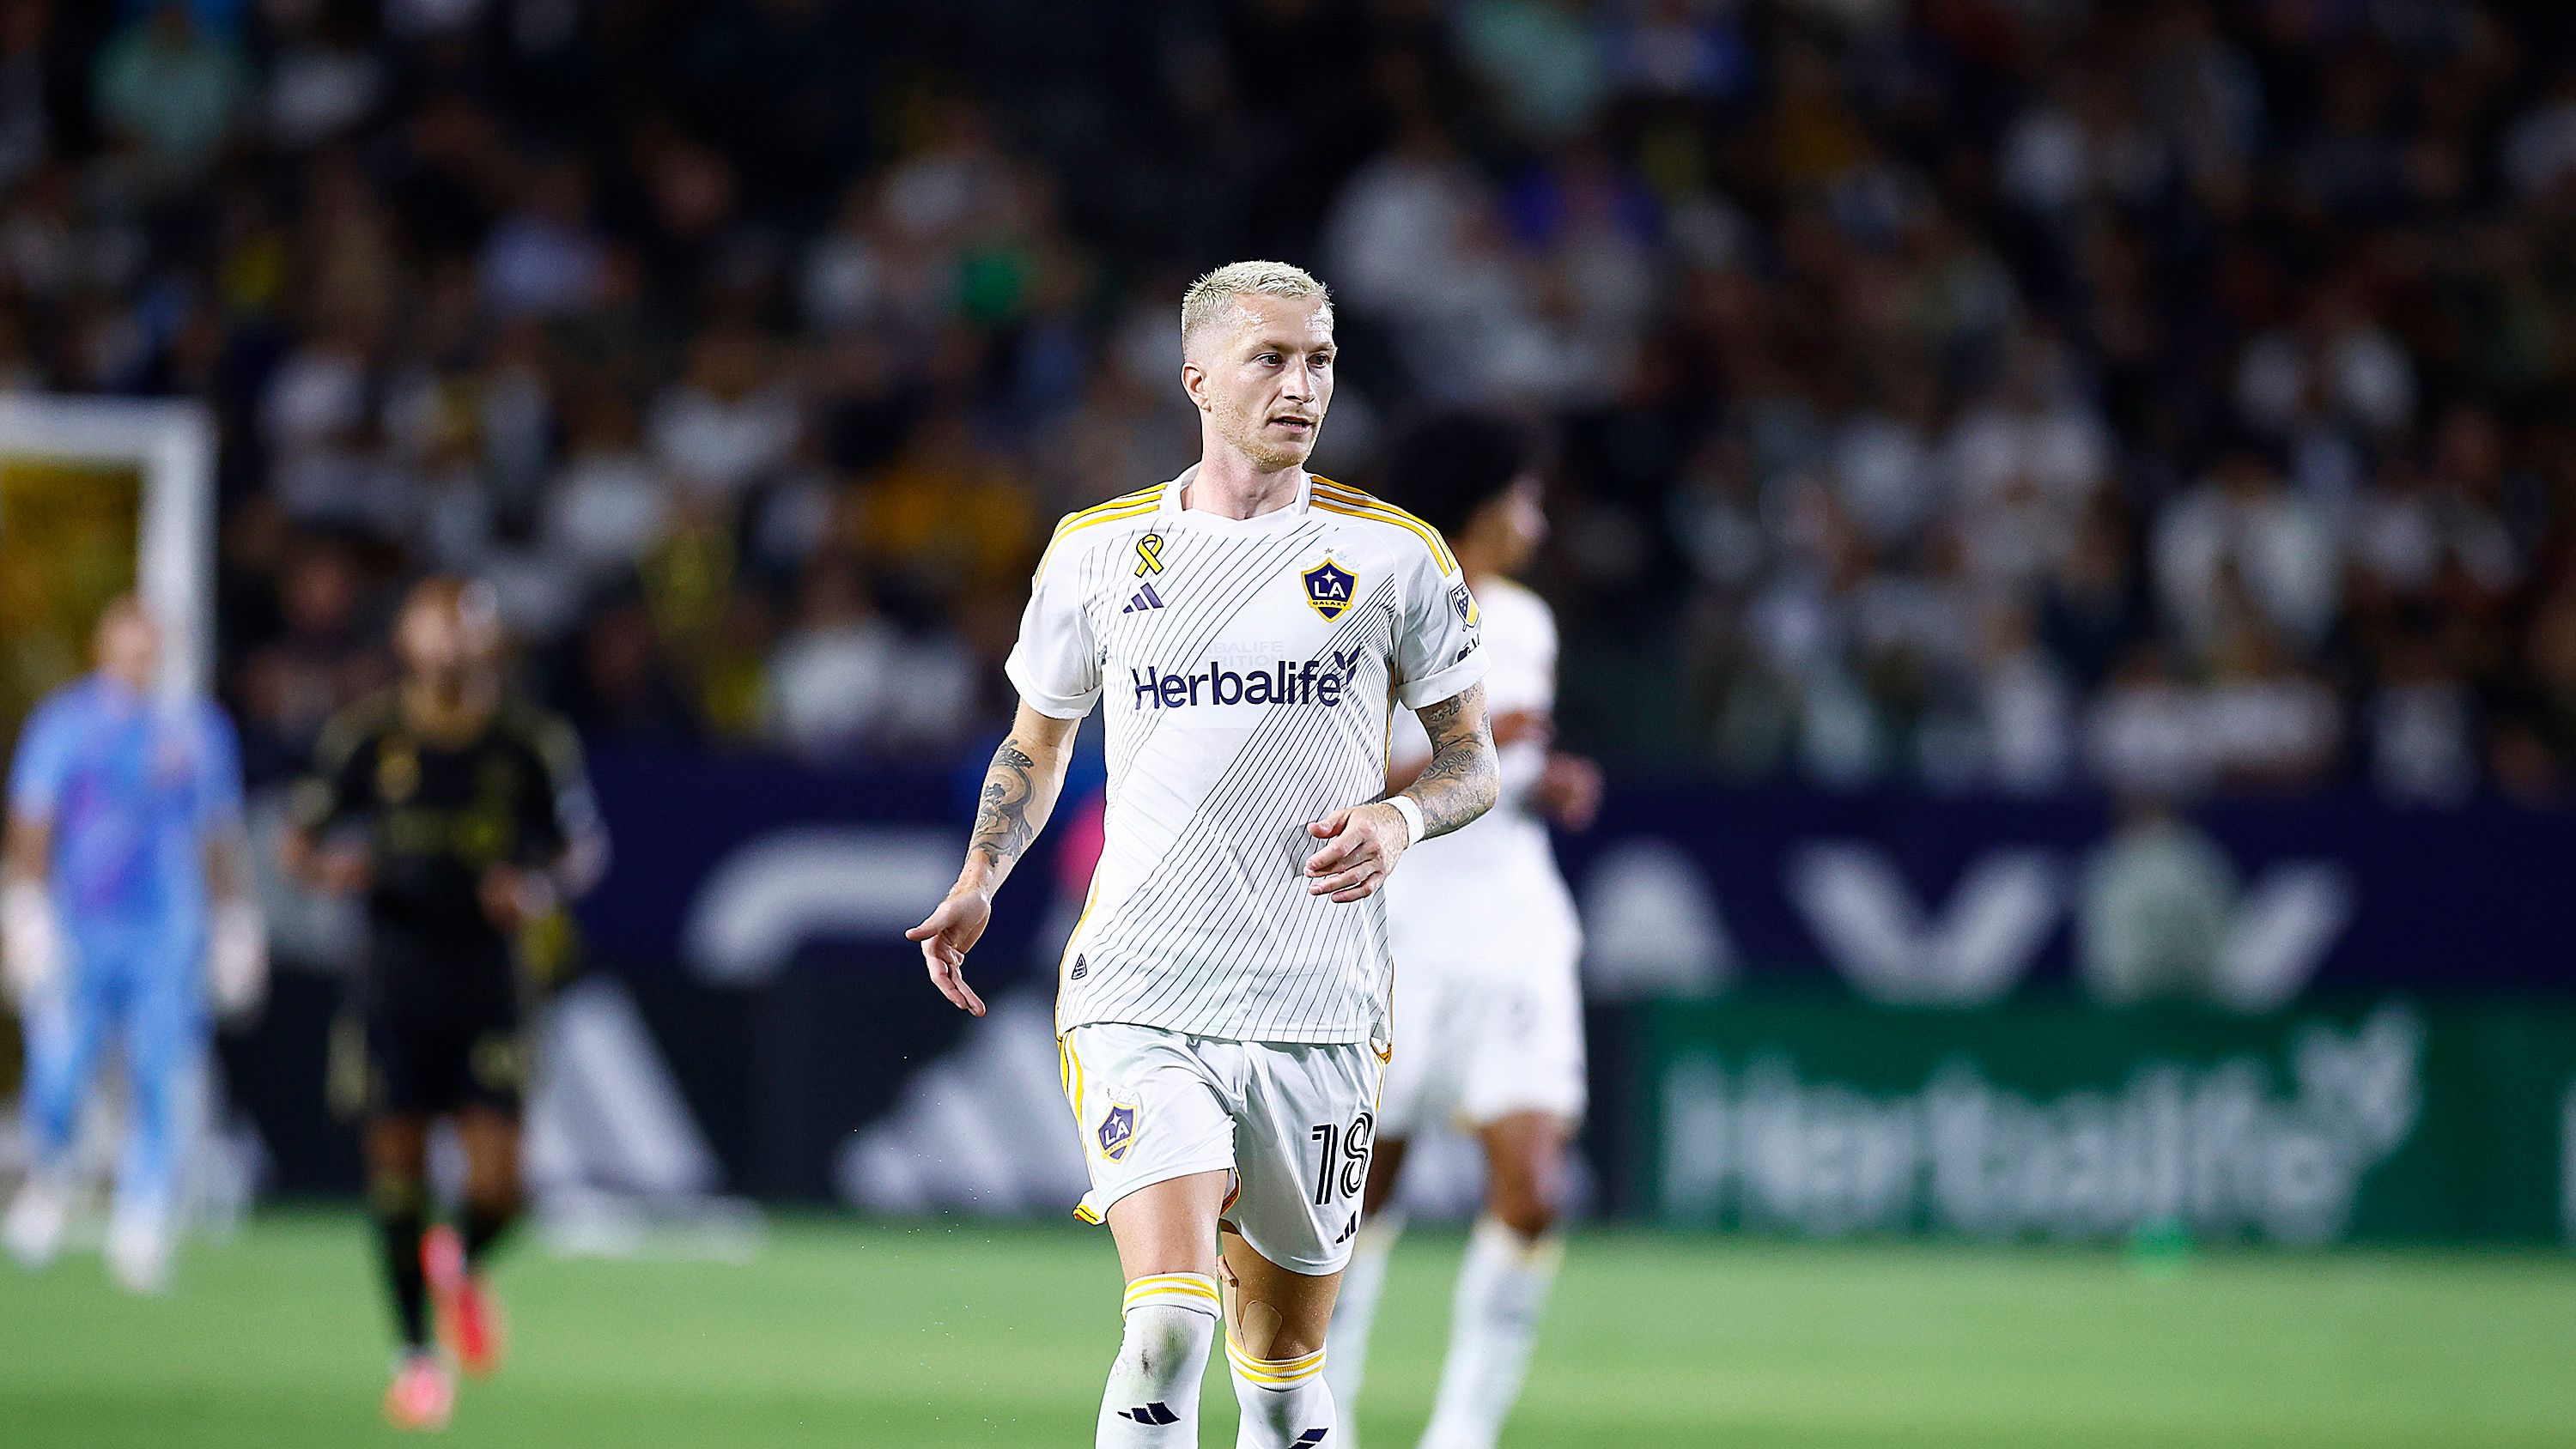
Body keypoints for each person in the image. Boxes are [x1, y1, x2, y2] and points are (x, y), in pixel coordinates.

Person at [908, 260, 1499, 1449]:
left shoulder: (1395, 557)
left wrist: (1398, 819)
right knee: (1168, 1320)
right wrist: (980, 877)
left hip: (1318, 998)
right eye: (1271, 358)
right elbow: (1039, 741)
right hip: (1141, 987)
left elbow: (1471, 761)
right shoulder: (1094, 553)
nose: (1302, 385)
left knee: (1279, 1375)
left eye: (1320, 359)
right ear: (1197, 378)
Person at [1324, 410, 1601, 1449]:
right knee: (1356, 1197)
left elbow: (1508, 776)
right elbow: (1323, 782)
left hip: (1515, 927)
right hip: (1394, 930)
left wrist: (1547, 781)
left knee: (1534, 1191)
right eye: (1523, 496)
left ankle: (1464, 1432)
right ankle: (1325, 1417)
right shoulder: (1366, 608)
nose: (1535, 517)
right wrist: (1460, 747)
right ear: (1481, 504)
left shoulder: (1528, 623)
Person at [283, 577, 606, 1432]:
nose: (450, 644)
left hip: (487, 979)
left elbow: (582, 848)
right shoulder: (367, 733)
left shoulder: (527, 739)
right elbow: (298, 838)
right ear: (406, 636)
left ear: (486, 642)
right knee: (396, 1171)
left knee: (503, 1185)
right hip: (391, 977)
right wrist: (327, 870)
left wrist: (537, 886)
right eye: (434, 627)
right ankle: (416, 1358)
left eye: (464, 628)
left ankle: (457, 1255)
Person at [0, 597, 265, 1293]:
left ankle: (142, 1214)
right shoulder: (64, 722)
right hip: (82, 923)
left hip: (167, 931)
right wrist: (25, 907)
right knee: (59, 1066)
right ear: (102, 648)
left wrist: (234, 919)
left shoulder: (196, 729)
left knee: (161, 1075)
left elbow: (216, 829)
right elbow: (33, 815)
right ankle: (48, 1181)